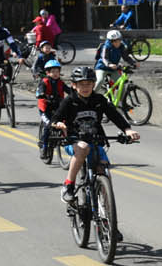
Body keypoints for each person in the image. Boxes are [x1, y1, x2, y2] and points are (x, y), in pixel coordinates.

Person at [50, 66, 140, 205]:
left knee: (103, 169)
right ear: (74, 85)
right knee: (83, 147)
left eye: (89, 84)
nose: (85, 88)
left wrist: (127, 130)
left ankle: (105, 209)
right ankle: (68, 185)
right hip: (73, 140)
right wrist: (58, 124)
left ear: (94, 84)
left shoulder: (99, 100)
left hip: (96, 140)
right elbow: (55, 118)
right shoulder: (69, 101)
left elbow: (114, 115)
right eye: (81, 84)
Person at [34, 58, 69, 162]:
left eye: (57, 71)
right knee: (48, 126)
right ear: (47, 72)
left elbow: (69, 90)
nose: (55, 74)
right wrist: (41, 94)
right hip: (45, 108)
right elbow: (39, 91)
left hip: (58, 107)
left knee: (66, 121)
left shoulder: (61, 83)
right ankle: (44, 146)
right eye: (52, 71)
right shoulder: (44, 82)